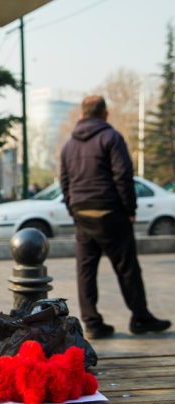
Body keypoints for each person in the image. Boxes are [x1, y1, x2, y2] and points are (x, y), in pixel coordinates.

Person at [60, 95, 171, 339]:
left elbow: (65, 182)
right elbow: (123, 175)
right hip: (110, 212)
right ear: (105, 114)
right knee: (127, 267)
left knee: (85, 270)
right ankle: (140, 318)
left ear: (82, 115)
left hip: (82, 213)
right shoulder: (111, 137)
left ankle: (92, 322)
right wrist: (130, 210)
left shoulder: (69, 145)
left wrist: (74, 209)